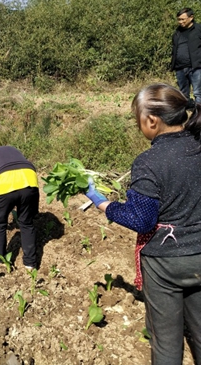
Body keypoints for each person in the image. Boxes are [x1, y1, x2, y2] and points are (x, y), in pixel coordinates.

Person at [85, 83, 201, 364]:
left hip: (165, 263)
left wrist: (104, 204)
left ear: (151, 120)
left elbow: (142, 219)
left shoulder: (149, 162)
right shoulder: (198, 146)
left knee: (166, 343)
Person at [171, 8, 201, 104]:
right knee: (183, 93)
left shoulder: (199, 29)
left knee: (198, 92)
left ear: (191, 17)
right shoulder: (177, 32)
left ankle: (198, 115)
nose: (180, 22)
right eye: (179, 19)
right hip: (180, 68)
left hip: (196, 67)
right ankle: (186, 111)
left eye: (183, 19)